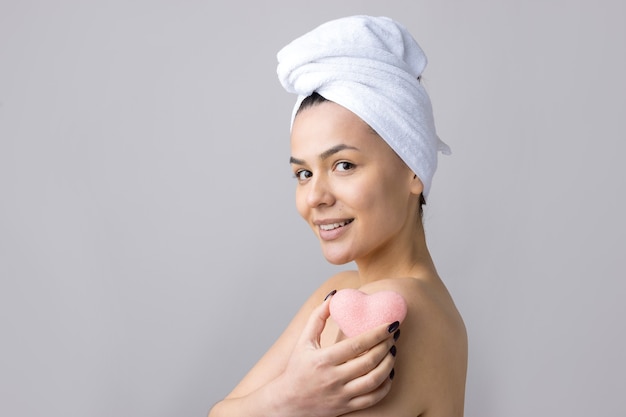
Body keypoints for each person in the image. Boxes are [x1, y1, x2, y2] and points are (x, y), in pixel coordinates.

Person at [208, 15, 467, 417]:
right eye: (304, 174)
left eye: (344, 165)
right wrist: (287, 399)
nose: (315, 196)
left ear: (413, 168)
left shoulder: (395, 309)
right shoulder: (347, 290)